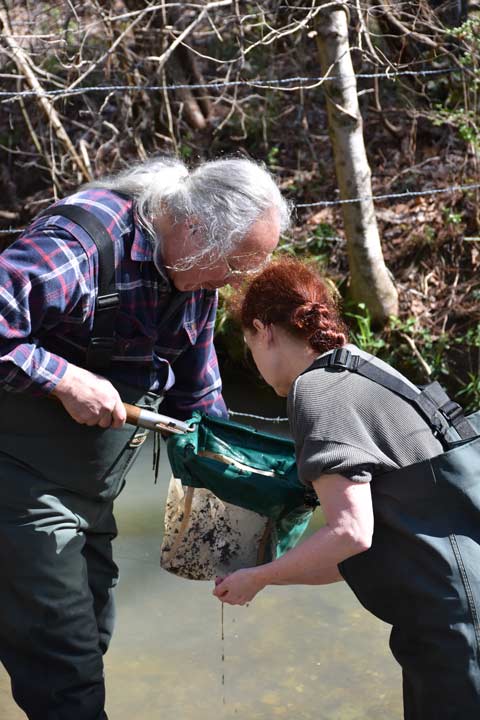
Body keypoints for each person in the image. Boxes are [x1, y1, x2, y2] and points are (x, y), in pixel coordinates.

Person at [0, 155, 290, 720]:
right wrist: (64, 378)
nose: (238, 285)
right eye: (236, 267)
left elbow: (198, 399)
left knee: (93, 629)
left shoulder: (195, 277)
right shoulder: (83, 241)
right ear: (196, 230)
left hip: (88, 491)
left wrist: (238, 511)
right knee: (66, 664)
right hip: (16, 482)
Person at [213, 256, 480, 720]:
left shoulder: (316, 390)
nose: (255, 363)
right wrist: (266, 579)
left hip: (456, 627)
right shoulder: (362, 369)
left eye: (249, 342)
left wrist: (258, 577)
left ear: (264, 330)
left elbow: (351, 533)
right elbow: (360, 552)